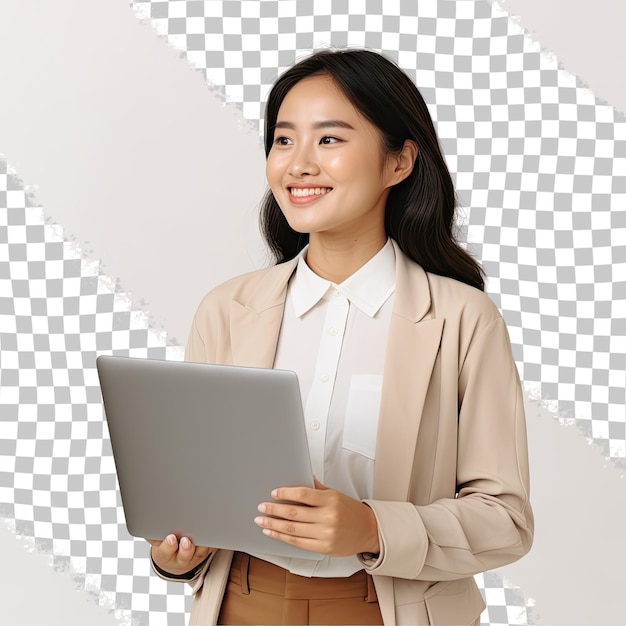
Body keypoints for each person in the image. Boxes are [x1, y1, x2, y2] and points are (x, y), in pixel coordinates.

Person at [147, 48, 533, 625]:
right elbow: (198, 489)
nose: (298, 164)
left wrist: (371, 526)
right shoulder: (227, 310)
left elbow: (505, 521)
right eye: (283, 140)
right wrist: (179, 551)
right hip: (240, 604)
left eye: (329, 140)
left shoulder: (462, 320)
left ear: (399, 162)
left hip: (383, 608)